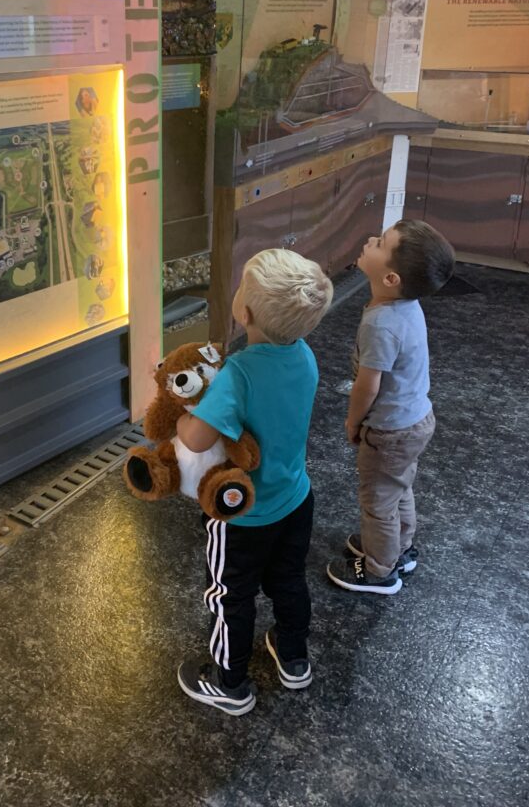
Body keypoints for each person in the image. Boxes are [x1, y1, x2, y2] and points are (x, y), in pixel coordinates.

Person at [176, 249, 333, 715]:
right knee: (288, 580)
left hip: (243, 514)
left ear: (242, 312)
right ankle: (293, 658)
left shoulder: (239, 372)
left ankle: (229, 682)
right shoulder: (304, 357)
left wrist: (181, 418)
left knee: (230, 595)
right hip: (294, 499)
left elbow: (199, 438)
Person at [327, 219, 455, 596]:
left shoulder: (381, 323)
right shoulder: (405, 305)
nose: (370, 241)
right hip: (416, 420)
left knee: (377, 501)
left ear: (391, 279)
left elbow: (368, 386)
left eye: (380, 244)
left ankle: (380, 570)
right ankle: (400, 548)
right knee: (398, 487)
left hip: (390, 431)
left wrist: (354, 421)